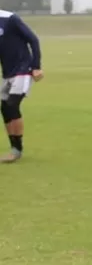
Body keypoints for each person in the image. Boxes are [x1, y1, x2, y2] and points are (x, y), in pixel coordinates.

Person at [0, 10, 43, 163]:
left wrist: (36, 66)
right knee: (4, 107)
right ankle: (13, 148)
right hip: (7, 73)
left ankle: (16, 150)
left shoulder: (10, 19)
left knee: (12, 105)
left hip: (23, 69)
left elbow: (33, 39)